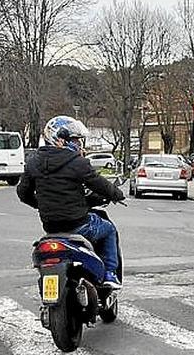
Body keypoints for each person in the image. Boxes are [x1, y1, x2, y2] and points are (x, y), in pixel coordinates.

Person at [17, 116, 126, 289]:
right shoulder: (77, 162)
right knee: (109, 229)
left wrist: (41, 204)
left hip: (51, 227)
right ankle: (110, 274)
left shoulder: (33, 163)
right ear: (60, 139)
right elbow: (99, 183)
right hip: (78, 225)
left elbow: (23, 193)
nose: (78, 144)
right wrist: (117, 194)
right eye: (74, 140)